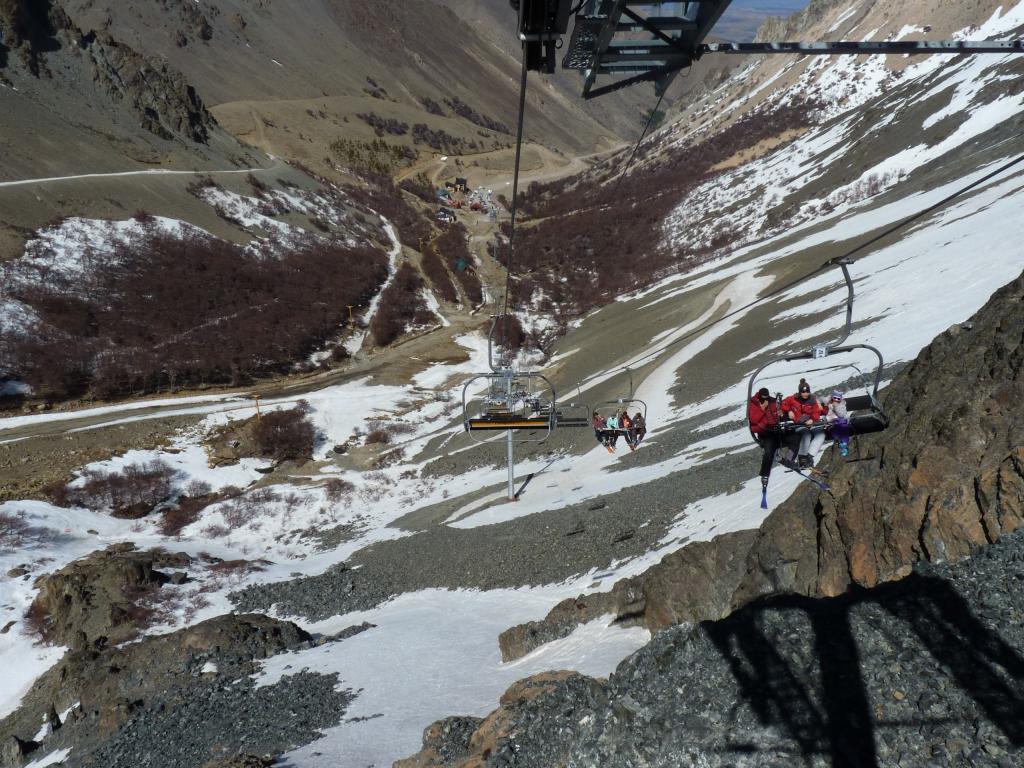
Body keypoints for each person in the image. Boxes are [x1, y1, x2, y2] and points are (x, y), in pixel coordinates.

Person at [782, 379, 827, 469]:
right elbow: (783, 404)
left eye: (807, 391)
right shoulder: (793, 399)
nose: (805, 394)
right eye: (803, 391)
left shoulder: (813, 400)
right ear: (800, 392)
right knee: (806, 435)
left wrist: (812, 420)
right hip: (799, 424)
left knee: (821, 434)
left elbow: (816, 412)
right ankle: (801, 458)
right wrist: (789, 410)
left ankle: (809, 456)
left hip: (811, 423)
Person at [748, 387, 783, 482]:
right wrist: (762, 408)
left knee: (794, 438)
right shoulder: (754, 404)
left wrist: (781, 413)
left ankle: (790, 458)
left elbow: (777, 413)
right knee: (769, 451)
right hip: (764, 432)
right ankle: (765, 473)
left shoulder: (772, 402)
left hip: (775, 429)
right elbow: (753, 419)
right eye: (763, 397)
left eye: (766, 397)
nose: (765, 399)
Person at [826, 390, 851, 457]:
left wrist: (836, 407)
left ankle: (844, 443)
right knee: (836, 429)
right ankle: (840, 440)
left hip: (841, 421)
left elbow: (842, 414)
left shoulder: (841, 405)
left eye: (838, 398)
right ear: (832, 397)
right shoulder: (829, 403)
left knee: (844, 428)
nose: (836, 400)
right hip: (833, 422)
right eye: (835, 398)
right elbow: (822, 399)